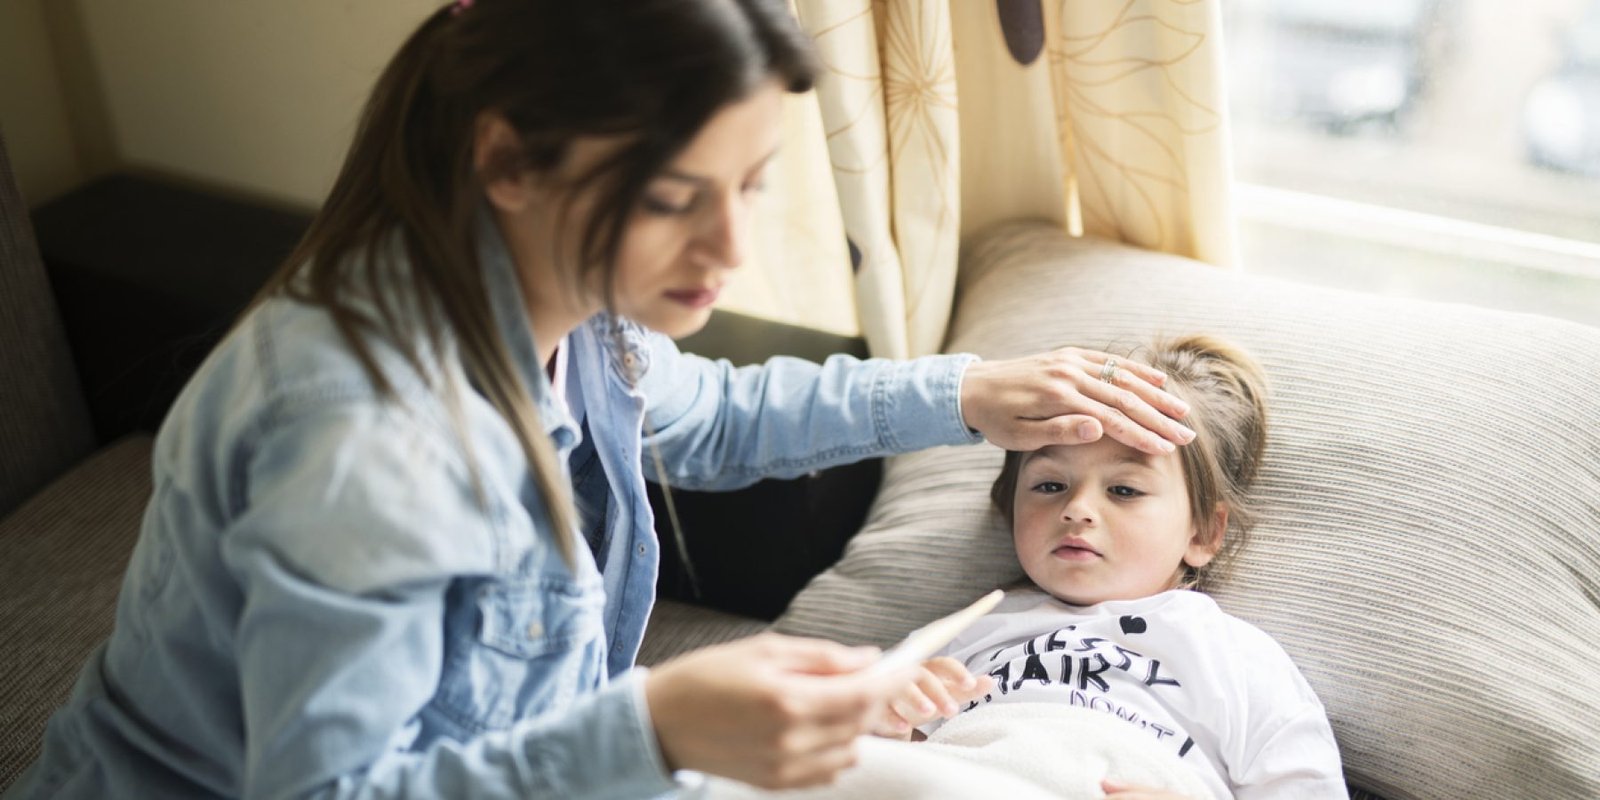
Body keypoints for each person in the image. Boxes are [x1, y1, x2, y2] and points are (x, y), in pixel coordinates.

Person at [3, 2, 1196, 798]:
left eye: (751, 185)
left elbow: (714, 420)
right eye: (679, 197)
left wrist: (965, 393)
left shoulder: (574, 304)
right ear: (510, 160)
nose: (730, 245)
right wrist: (656, 726)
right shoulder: (364, 439)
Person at [875, 336, 1347, 799]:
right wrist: (890, 728)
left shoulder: (1238, 660)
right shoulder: (963, 634)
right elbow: (856, 756)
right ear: (1010, 509)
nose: (1077, 509)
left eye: (1124, 490)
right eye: (1050, 485)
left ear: (1203, 532)